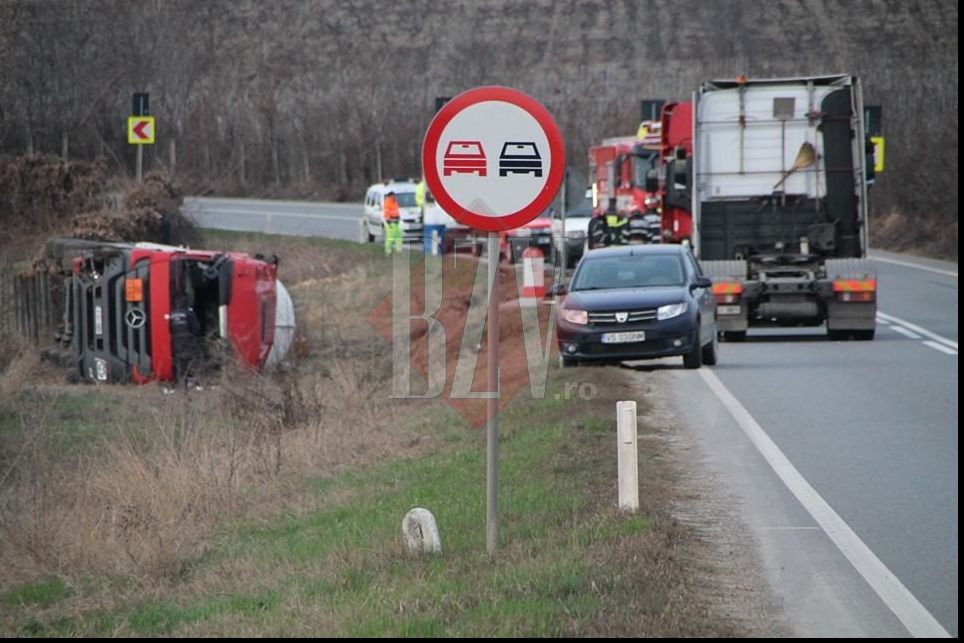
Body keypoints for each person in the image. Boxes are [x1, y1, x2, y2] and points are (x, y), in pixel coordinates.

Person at [169, 294, 203, 389]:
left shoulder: (172, 314)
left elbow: (170, 329)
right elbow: (197, 328)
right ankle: (196, 383)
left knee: (180, 365)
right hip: (189, 341)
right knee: (195, 361)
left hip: (177, 343)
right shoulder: (189, 313)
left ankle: (181, 386)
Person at [383, 190, 402, 255]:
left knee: (398, 237)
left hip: (396, 222)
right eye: (393, 196)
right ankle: (388, 251)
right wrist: (389, 222)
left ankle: (399, 251)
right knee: (390, 238)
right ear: (390, 196)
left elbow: (396, 211)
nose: (394, 197)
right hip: (391, 223)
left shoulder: (394, 202)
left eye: (394, 195)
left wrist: (398, 218)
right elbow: (386, 213)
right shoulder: (387, 202)